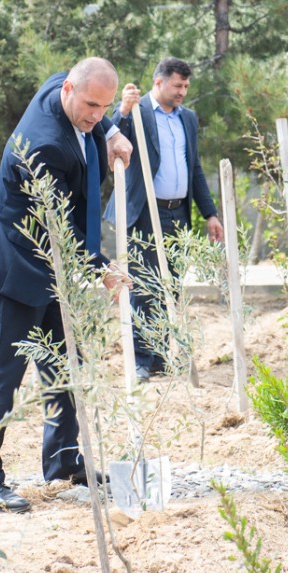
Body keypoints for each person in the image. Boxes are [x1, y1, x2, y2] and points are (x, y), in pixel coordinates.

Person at [0, 57, 133, 513]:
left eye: (104, 107)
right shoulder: (43, 145)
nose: (96, 115)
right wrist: (102, 266)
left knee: (64, 364)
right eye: (90, 106)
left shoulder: (63, 91)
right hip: (18, 266)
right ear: (68, 93)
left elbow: (95, 122)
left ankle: (62, 462)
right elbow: (59, 227)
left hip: (53, 269)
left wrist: (113, 131)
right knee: (6, 376)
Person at [104, 57, 223, 380]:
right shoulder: (138, 111)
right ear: (159, 83)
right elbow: (113, 133)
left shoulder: (188, 119)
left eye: (186, 86)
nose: (183, 91)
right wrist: (123, 111)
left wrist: (210, 213)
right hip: (144, 211)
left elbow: (195, 167)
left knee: (169, 284)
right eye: (177, 85)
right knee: (143, 286)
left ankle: (159, 356)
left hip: (177, 212)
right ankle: (141, 360)